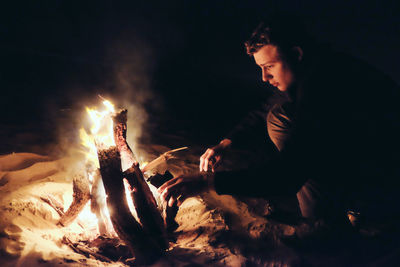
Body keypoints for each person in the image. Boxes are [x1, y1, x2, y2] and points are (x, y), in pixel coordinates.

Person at [158, 17, 400, 227]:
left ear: (296, 54)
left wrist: (208, 182)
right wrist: (225, 143)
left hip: (385, 179)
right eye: (260, 68)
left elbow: (286, 176)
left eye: (269, 67)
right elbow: (264, 109)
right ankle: (338, 209)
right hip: (367, 159)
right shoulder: (316, 69)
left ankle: (336, 219)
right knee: (277, 113)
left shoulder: (324, 88)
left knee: (283, 125)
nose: (264, 77)